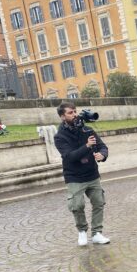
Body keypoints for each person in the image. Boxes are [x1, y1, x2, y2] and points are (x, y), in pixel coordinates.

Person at [54, 102, 110, 246]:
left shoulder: (87, 130)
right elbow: (70, 156)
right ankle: (82, 231)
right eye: (70, 113)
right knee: (77, 205)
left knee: (99, 202)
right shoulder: (60, 136)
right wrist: (87, 146)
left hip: (92, 173)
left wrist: (102, 155)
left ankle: (97, 233)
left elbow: (102, 146)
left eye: (75, 111)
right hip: (74, 176)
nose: (74, 114)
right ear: (62, 116)